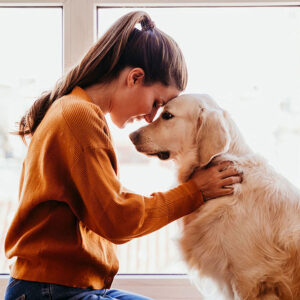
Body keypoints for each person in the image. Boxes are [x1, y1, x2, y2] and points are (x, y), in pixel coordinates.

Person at [4, 11, 242, 300]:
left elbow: (108, 205)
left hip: (58, 287)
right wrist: (194, 192)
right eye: (156, 103)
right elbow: (117, 218)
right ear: (135, 77)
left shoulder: (77, 110)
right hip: (48, 292)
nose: (150, 117)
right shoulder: (78, 116)